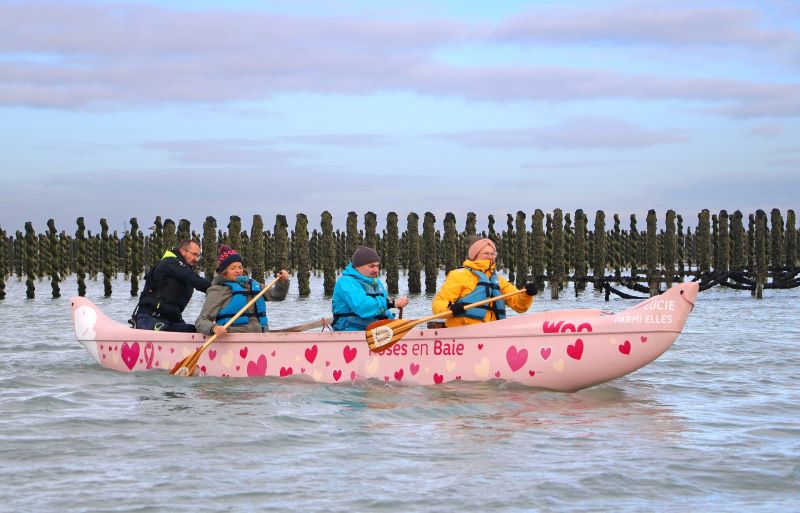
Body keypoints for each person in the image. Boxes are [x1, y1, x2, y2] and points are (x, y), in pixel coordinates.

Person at [432, 236, 536, 328]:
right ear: (475, 256)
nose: (490, 257)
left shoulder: (498, 280)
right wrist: (450, 308)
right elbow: (438, 304)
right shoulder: (458, 275)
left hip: (492, 331)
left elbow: (520, 306)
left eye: (493, 254)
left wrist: (527, 294)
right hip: (462, 331)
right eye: (486, 253)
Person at [195, 245, 290, 335]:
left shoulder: (254, 285)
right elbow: (201, 321)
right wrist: (213, 328)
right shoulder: (218, 290)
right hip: (233, 337)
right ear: (224, 272)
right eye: (233, 268)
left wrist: (282, 282)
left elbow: (278, 296)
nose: (238, 271)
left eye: (240, 267)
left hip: (260, 335)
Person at [132, 239, 211, 332]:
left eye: (198, 256)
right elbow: (195, 280)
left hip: (171, 319)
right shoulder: (170, 262)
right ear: (183, 251)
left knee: (199, 330)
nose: (197, 259)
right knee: (193, 330)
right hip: (149, 318)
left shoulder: (184, 268)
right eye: (194, 254)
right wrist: (218, 288)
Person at [332, 246, 409, 331]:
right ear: (357, 266)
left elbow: (384, 311)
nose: (376, 270)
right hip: (350, 332)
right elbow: (362, 307)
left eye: (377, 266)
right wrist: (392, 303)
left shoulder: (376, 282)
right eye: (371, 266)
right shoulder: (345, 282)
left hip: (376, 331)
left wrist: (394, 324)